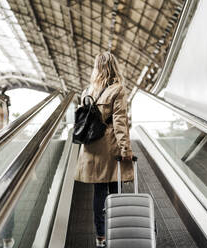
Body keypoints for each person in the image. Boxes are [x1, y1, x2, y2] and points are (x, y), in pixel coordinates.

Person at [74, 51, 134, 248]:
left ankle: (100, 236)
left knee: (98, 192)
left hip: (92, 147)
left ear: (97, 68)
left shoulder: (88, 91)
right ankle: (116, 230)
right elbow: (119, 122)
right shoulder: (117, 89)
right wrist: (125, 149)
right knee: (115, 190)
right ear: (114, 66)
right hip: (110, 146)